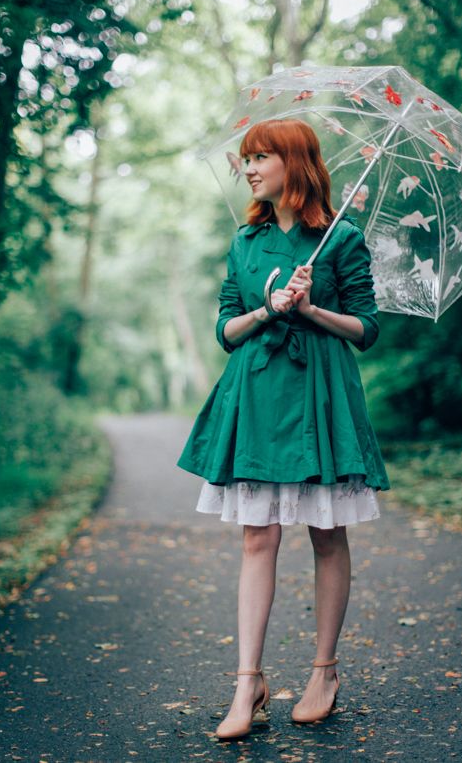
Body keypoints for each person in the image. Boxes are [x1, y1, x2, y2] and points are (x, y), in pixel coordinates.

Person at [177, 118, 390, 740]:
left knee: (327, 532)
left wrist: (313, 308)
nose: (249, 167)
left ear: (294, 163)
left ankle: (324, 672)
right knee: (256, 538)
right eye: (246, 158)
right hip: (259, 391)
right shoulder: (246, 241)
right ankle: (249, 682)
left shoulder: (342, 238)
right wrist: (267, 309)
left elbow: (367, 328)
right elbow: (223, 329)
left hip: (321, 395)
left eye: (261, 156)